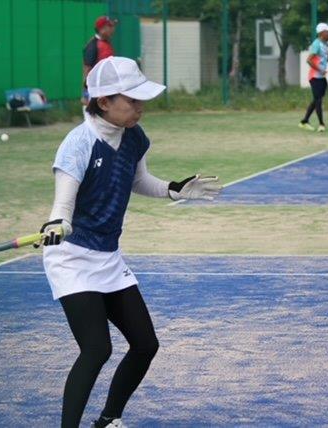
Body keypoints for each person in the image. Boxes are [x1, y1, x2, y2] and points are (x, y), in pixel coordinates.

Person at [39, 56, 222, 428]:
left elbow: (138, 180)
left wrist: (173, 190)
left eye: (142, 100)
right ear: (104, 101)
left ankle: (109, 419)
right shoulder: (79, 143)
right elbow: (63, 203)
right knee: (96, 349)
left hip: (108, 257)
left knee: (145, 344)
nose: (140, 108)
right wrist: (59, 222)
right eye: (132, 100)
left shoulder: (135, 137)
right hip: (72, 257)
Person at [299, 23, 328, 133]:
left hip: (321, 78)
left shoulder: (324, 45)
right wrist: (320, 69)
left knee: (316, 100)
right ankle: (321, 124)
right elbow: (309, 60)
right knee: (318, 100)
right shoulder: (316, 44)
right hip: (315, 77)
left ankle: (304, 121)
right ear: (322, 33)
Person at [81, 16, 118, 106]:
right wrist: (85, 93)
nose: (113, 29)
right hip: (96, 91)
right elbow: (87, 69)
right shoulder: (93, 45)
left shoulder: (106, 43)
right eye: (110, 26)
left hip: (107, 88)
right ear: (102, 29)